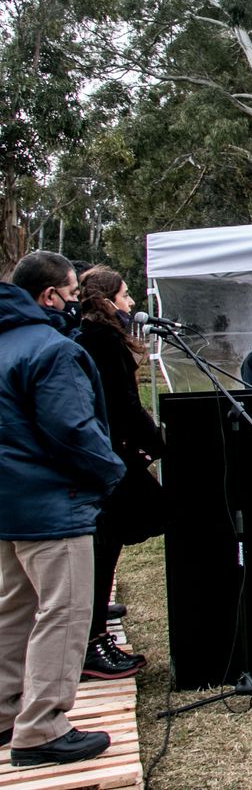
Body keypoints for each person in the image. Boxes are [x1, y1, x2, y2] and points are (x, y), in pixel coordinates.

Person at [0, 251, 124, 768]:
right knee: (64, 614)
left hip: (9, 506)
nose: (77, 303)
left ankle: (6, 712)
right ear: (50, 296)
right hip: (53, 504)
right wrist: (111, 472)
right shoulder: (51, 350)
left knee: (13, 611)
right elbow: (72, 430)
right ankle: (42, 728)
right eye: (74, 293)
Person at [76, 268, 164, 681]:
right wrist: (159, 444)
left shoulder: (95, 337)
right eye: (126, 296)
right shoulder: (102, 341)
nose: (131, 304)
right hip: (107, 456)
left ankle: (95, 612)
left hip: (110, 453)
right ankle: (92, 637)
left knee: (111, 536)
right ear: (107, 300)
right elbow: (123, 404)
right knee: (109, 534)